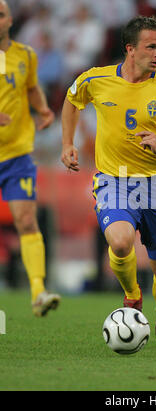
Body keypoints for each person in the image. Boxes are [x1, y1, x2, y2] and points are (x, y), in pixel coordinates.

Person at [61, 15, 156, 349]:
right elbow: (72, 101)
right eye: (151, 46)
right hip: (114, 180)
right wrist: (68, 143)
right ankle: (132, 295)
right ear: (130, 48)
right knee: (121, 242)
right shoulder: (95, 80)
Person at [0, 0, 60, 316]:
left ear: (10, 20)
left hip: (16, 154)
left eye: (0, 14)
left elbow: (32, 88)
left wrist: (44, 109)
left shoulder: (26, 55)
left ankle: (38, 291)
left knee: (26, 220)